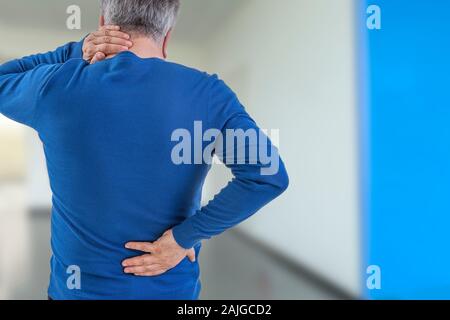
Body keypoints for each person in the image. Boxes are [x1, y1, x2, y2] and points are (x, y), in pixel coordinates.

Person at [0, 0, 289, 300]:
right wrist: (183, 238)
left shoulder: (57, 85)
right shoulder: (209, 94)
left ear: (103, 24)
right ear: (167, 35)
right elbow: (267, 176)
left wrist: (76, 49)